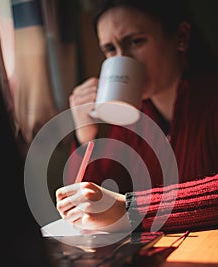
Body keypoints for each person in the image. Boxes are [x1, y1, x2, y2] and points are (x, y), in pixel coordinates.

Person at [56, 0, 218, 233]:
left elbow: (120, 207)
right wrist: (85, 136)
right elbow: (97, 202)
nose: (123, 59)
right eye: (110, 50)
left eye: (135, 41)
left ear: (181, 37)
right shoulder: (133, 117)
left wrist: (132, 209)